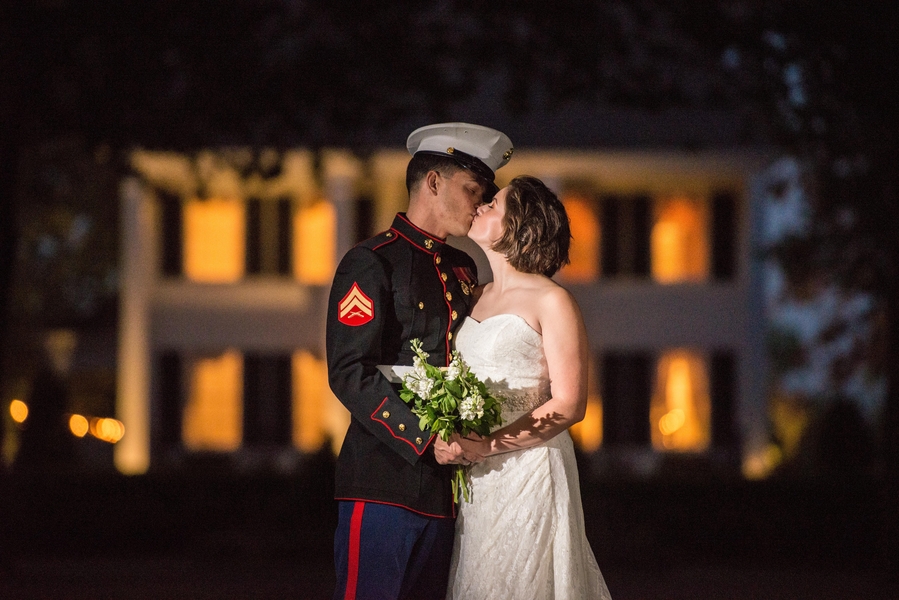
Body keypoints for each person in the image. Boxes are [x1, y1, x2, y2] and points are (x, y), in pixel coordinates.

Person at [326, 122, 514, 600]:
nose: (479, 203)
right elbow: (350, 371)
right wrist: (425, 436)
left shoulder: (462, 268)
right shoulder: (372, 262)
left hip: (448, 490)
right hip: (383, 477)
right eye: (472, 189)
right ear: (434, 182)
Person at [447, 176, 612, 599]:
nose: (482, 205)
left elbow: (571, 403)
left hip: (531, 468)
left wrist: (489, 444)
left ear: (522, 224)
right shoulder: (475, 295)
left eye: (495, 204)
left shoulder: (552, 301)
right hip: (479, 478)